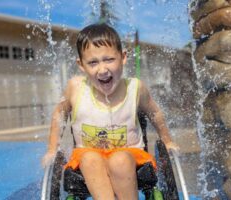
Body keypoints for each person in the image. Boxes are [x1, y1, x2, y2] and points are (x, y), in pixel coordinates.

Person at [42, 23, 178, 200]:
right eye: (93, 62)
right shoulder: (75, 88)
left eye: (109, 60)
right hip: (86, 156)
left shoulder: (135, 88)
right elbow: (59, 115)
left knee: (119, 160)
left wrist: (168, 142)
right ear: (81, 65)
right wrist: (52, 149)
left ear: (123, 58)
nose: (102, 69)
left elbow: (155, 113)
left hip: (131, 154)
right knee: (90, 159)